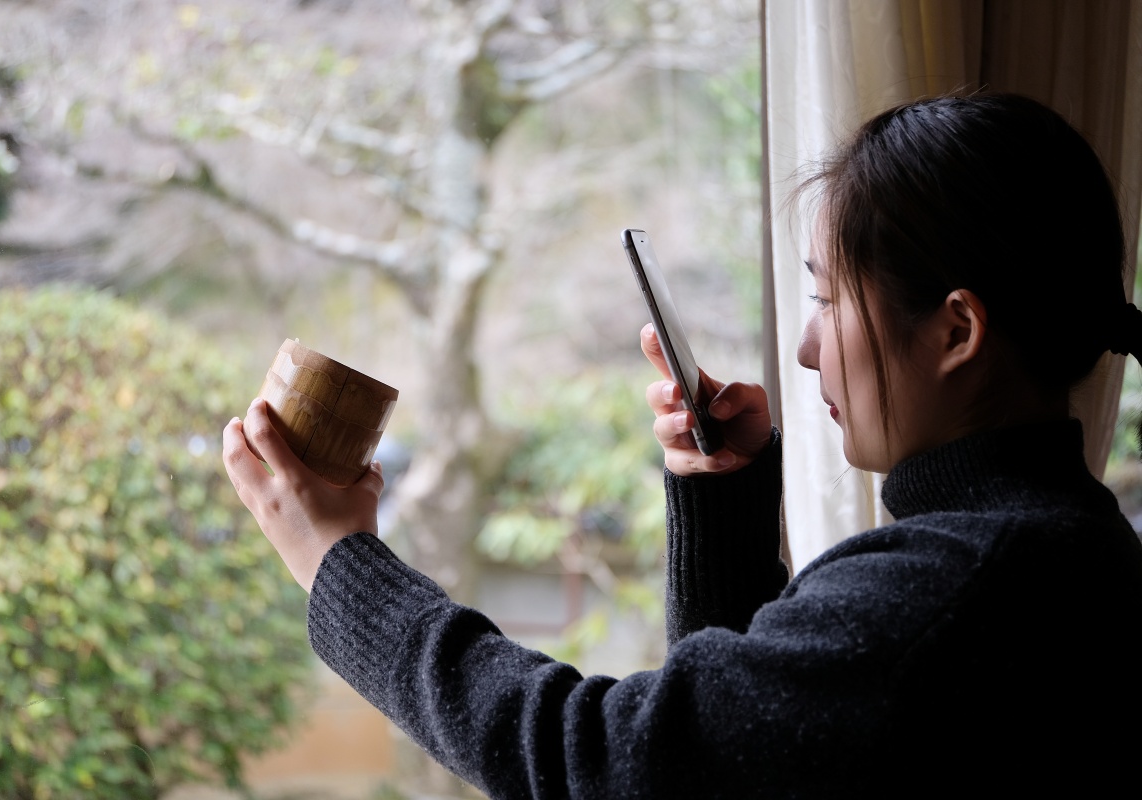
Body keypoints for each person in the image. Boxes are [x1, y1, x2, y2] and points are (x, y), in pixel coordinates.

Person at [222, 93, 1142, 798]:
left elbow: (606, 760)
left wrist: (339, 565)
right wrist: (724, 502)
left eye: (828, 299)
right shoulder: (1051, 544)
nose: (807, 346)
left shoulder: (955, 584)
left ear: (956, 332)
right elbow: (737, 759)